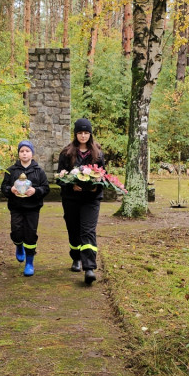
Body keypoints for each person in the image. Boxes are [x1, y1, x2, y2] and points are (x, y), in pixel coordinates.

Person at [56, 118, 105, 284]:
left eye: (86, 133)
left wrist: (95, 187)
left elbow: (103, 176)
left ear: (90, 134)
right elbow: (59, 178)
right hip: (71, 199)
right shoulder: (66, 153)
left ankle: (89, 267)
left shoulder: (97, 153)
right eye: (80, 132)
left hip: (91, 200)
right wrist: (71, 186)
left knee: (88, 231)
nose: (83, 136)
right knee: (74, 230)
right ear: (75, 134)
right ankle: (76, 258)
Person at [0, 140, 49, 276]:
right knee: (16, 231)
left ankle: (29, 262)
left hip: (33, 208)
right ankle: (18, 245)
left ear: (32, 154)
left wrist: (35, 191)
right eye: (22, 151)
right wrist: (11, 189)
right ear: (18, 154)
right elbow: (3, 188)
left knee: (30, 234)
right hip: (16, 207)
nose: (24, 153)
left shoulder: (39, 171)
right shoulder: (11, 171)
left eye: (27, 151)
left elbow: (46, 188)